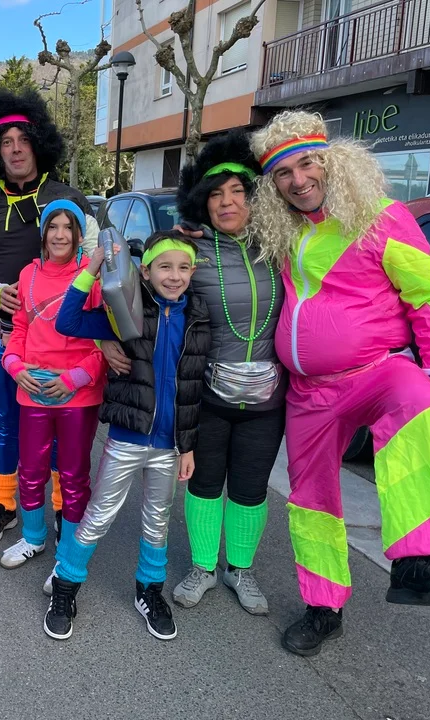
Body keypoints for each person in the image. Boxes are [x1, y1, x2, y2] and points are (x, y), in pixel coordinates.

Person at [250, 110, 430, 656]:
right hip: (308, 393)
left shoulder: (381, 218)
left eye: (307, 163)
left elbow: (428, 297)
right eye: (283, 173)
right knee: (311, 498)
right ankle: (323, 609)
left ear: (333, 162)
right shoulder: (283, 230)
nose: (298, 180)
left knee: (418, 400)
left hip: (376, 372)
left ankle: (416, 561)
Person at [50, 230, 210, 641]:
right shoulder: (127, 309)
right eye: (164, 267)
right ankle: (65, 587)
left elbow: (193, 389)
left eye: (183, 267)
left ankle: (149, 591)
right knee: (99, 515)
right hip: (127, 439)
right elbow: (67, 321)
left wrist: (187, 446)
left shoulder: (199, 315)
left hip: (169, 445)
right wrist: (91, 268)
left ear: (193, 272)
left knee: (157, 521)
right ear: (145, 271)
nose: (174, 276)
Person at [0, 88, 99, 545]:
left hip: (68, 340)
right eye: (6, 142)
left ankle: (59, 506)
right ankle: (4, 503)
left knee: (58, 429)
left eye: (23, 140)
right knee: (7, 422)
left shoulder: (69, 197)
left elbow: (98, 259)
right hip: (5, 333)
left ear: (38, 144)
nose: (15, 149)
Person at [169, 130, 285, 616]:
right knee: (205, 482)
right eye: (216, 194)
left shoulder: (280, 247)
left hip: (267, 401)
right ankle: (203, 567)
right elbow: (152, 284)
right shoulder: (190, 251)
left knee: (250, 488)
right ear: (203, 203)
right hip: (209, 396)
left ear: (255, 197)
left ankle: (240, 569)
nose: (227, 202)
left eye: (238, 191)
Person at [0, 200, 106, 570]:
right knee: (30, 471)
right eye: (53, 227)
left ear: (79, 235)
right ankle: (33, 537)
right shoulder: (28, 274)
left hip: (78, 395)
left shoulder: (92, 277)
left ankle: (68, 556)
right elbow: (19, 328)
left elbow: (106, 342)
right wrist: (13, 365)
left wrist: (76, 378)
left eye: (68, 227)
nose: (60, 235)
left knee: (74, 477)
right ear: (43, 233)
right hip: (32, 390)